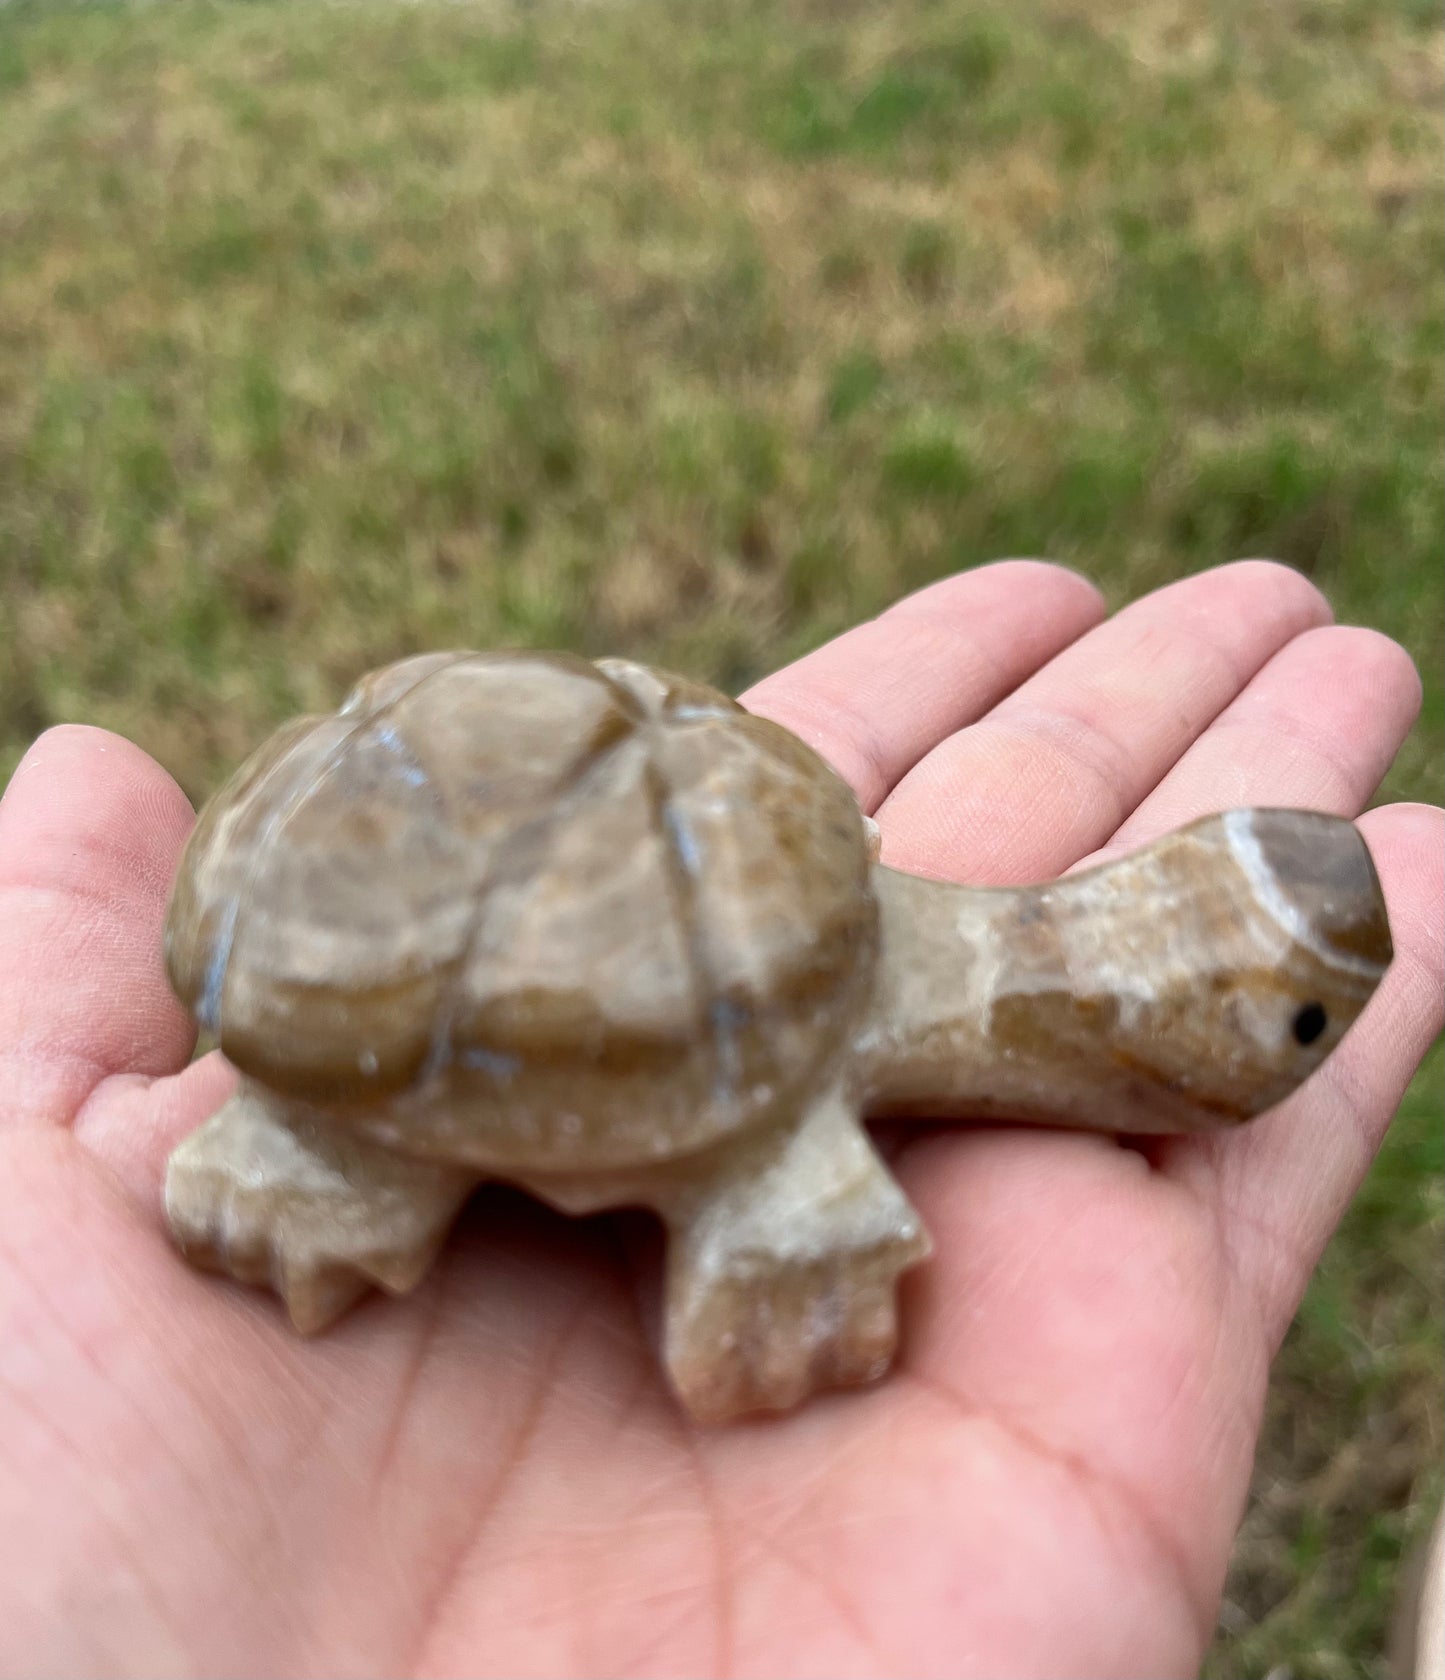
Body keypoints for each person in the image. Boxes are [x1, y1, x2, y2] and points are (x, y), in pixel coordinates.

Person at [0, 559, 1439, 1678]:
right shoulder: (803, 1065)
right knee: (736, 1218)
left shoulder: (830, 922)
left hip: (570, 827)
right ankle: (320, 1141)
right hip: (359, 986)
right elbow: (776, 1197)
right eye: (1289, 1031)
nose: (1278, 1066)